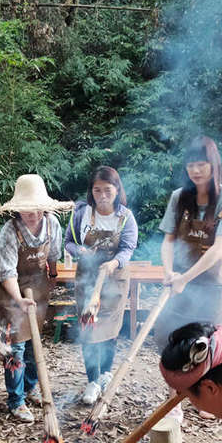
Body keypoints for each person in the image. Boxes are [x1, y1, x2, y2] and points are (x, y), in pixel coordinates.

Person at [153, 136, 222, 421]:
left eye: (201, 163)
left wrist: (186, 277)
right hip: (179, 283)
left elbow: (220, 248)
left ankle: (206, 399)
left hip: (210, 285)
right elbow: (168, 240)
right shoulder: (179, 197)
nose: (196, 169)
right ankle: (175, 399)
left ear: (213, 165)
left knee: (209, 343)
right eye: (191, 164)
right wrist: (169, 272)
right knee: (172, 337)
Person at [0, 174, 73, 422]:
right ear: (17, 209)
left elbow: (53, 254)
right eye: (25, 208)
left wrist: (54, 274)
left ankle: (30, 387)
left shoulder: (53, 225)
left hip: (36, 287)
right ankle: (15, 400)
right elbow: (6, 272)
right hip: (9, 291)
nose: (31, 213)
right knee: (15, 345)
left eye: (36, 207)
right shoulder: (10, 231)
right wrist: (18, 299)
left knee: (34, 344)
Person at [64, 167, 138, 404]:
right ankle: (92, 381)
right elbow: (68, 242)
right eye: (97, 190)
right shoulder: (81, 213)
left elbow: (128, 248)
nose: (102, 195)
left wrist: (114, 262)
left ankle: (105, 374)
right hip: (87, 277)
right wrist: (80, 250)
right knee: (88, 328)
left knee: (109, 331)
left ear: (117, 190)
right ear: (91, 191)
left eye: (108, 189)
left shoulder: (125, 217)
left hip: (114, 279)